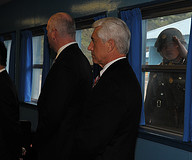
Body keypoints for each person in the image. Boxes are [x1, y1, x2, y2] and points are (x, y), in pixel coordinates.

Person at [69, 17, 142, 160]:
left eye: (93, 41)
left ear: (110, 45)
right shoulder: (122, 74)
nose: (89, 47)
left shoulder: (114, 83)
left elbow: (93, 140)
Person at [33, 12, 93, 160]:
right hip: (73, 145)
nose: (47, 36)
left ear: (54, 33)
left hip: (57, 147)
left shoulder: (65, 64)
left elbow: (54, 112)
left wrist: (36, 142)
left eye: (47, 31)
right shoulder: (81, 59)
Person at [145, 28, 187, 131]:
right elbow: (148, 102)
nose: (167, 49)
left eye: (172, 44)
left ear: (180, 46)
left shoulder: (187, 69)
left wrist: (186, 55)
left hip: (183, 124)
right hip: (159, 122)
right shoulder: (156, 71)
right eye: (163, 46)